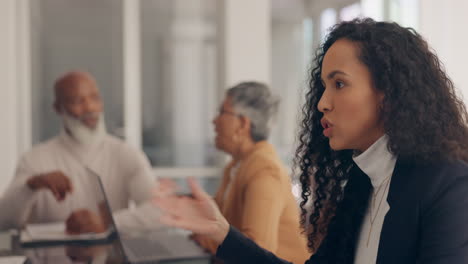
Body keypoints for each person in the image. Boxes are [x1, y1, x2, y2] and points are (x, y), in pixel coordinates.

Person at [154, 18, 468, 264]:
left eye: (340, 84)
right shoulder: (363, 181)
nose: (322, 103)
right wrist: (222, 234)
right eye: (323, 86)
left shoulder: (447, 185)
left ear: (387, 93)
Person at [0, 71, 160, 233]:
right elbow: (3, 221)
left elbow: (159, 211)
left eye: (95, 98)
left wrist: (107, 223)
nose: (89, 108)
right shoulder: (34, 159)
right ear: (58, 108)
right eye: (77, 101)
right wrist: (31, 186)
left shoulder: (126, 154)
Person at [191, 82, 309, 264]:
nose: (214, 121)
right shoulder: (235, 166)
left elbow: (258, 251)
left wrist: (204, 237)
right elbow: (218, 219)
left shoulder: (265, 171)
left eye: (222, 112)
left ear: (243, 123)